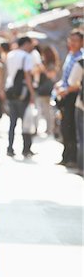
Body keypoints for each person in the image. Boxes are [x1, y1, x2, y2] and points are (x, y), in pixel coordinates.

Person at [53, 29, 83, 167]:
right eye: (71, 40)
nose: (72, 43)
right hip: (64, 95)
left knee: (71, 128)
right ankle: (66, 157)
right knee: (64, 127)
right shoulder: (70, 55)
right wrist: (59, 87)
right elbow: (65, 78)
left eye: (75, 40)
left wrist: (65, 90)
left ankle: (72, 158)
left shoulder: (80, 58)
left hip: (73, 96)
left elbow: (78, 83)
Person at [5, 36, 36, 157]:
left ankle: (10, 148)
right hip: (23, 92)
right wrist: (32, 93)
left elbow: (6, 72)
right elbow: (27, 76)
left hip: (10, 90)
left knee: (12, 123)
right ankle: (26, 149)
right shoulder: (26, 56)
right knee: (26, 121)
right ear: (26, 43)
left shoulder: (10, 54)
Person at [68, 57, 84, 176]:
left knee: (82, 138)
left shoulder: (81, 62)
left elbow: (72, 81)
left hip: (82, 105)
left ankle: (82, 167)